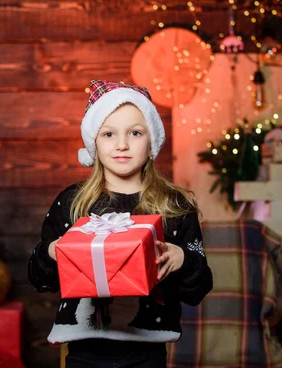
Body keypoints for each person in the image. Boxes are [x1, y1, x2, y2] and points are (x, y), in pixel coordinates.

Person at [27, 80, 213, 367]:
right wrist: (53, 252)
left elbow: (198, 289)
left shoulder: (175, 207)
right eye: (109, 133)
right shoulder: (72, 203)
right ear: (94, 142)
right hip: (83, 350)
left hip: (147, 351)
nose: (122, 144)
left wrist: (182, 259)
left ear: (152, 140)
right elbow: (41, 279)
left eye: (135, 133)